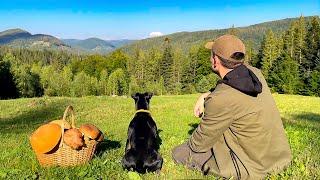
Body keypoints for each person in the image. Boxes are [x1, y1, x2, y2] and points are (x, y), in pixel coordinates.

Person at [172, 34, 292, 179]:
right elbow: (227, 83)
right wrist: (206, 94)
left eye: (212, 55)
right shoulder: (255, 74)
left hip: (254, 167)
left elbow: (198, 144)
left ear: (215, 60)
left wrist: (211, 100)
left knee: (180, 152)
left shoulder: (220, 100)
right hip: (279, 156)